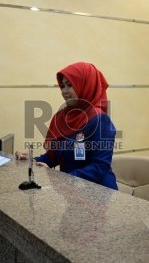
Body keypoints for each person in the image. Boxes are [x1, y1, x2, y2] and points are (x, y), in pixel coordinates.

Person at [16, 62, 118, 190]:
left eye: (70, 85)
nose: (64, 91)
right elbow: (55, 155)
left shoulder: (100, 119)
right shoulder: (63, 117)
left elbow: (99, 167)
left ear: (86, 85)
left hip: (99, 194)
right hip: (72, 191)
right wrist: (32, 160)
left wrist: (62, 179)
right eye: (62, 86)